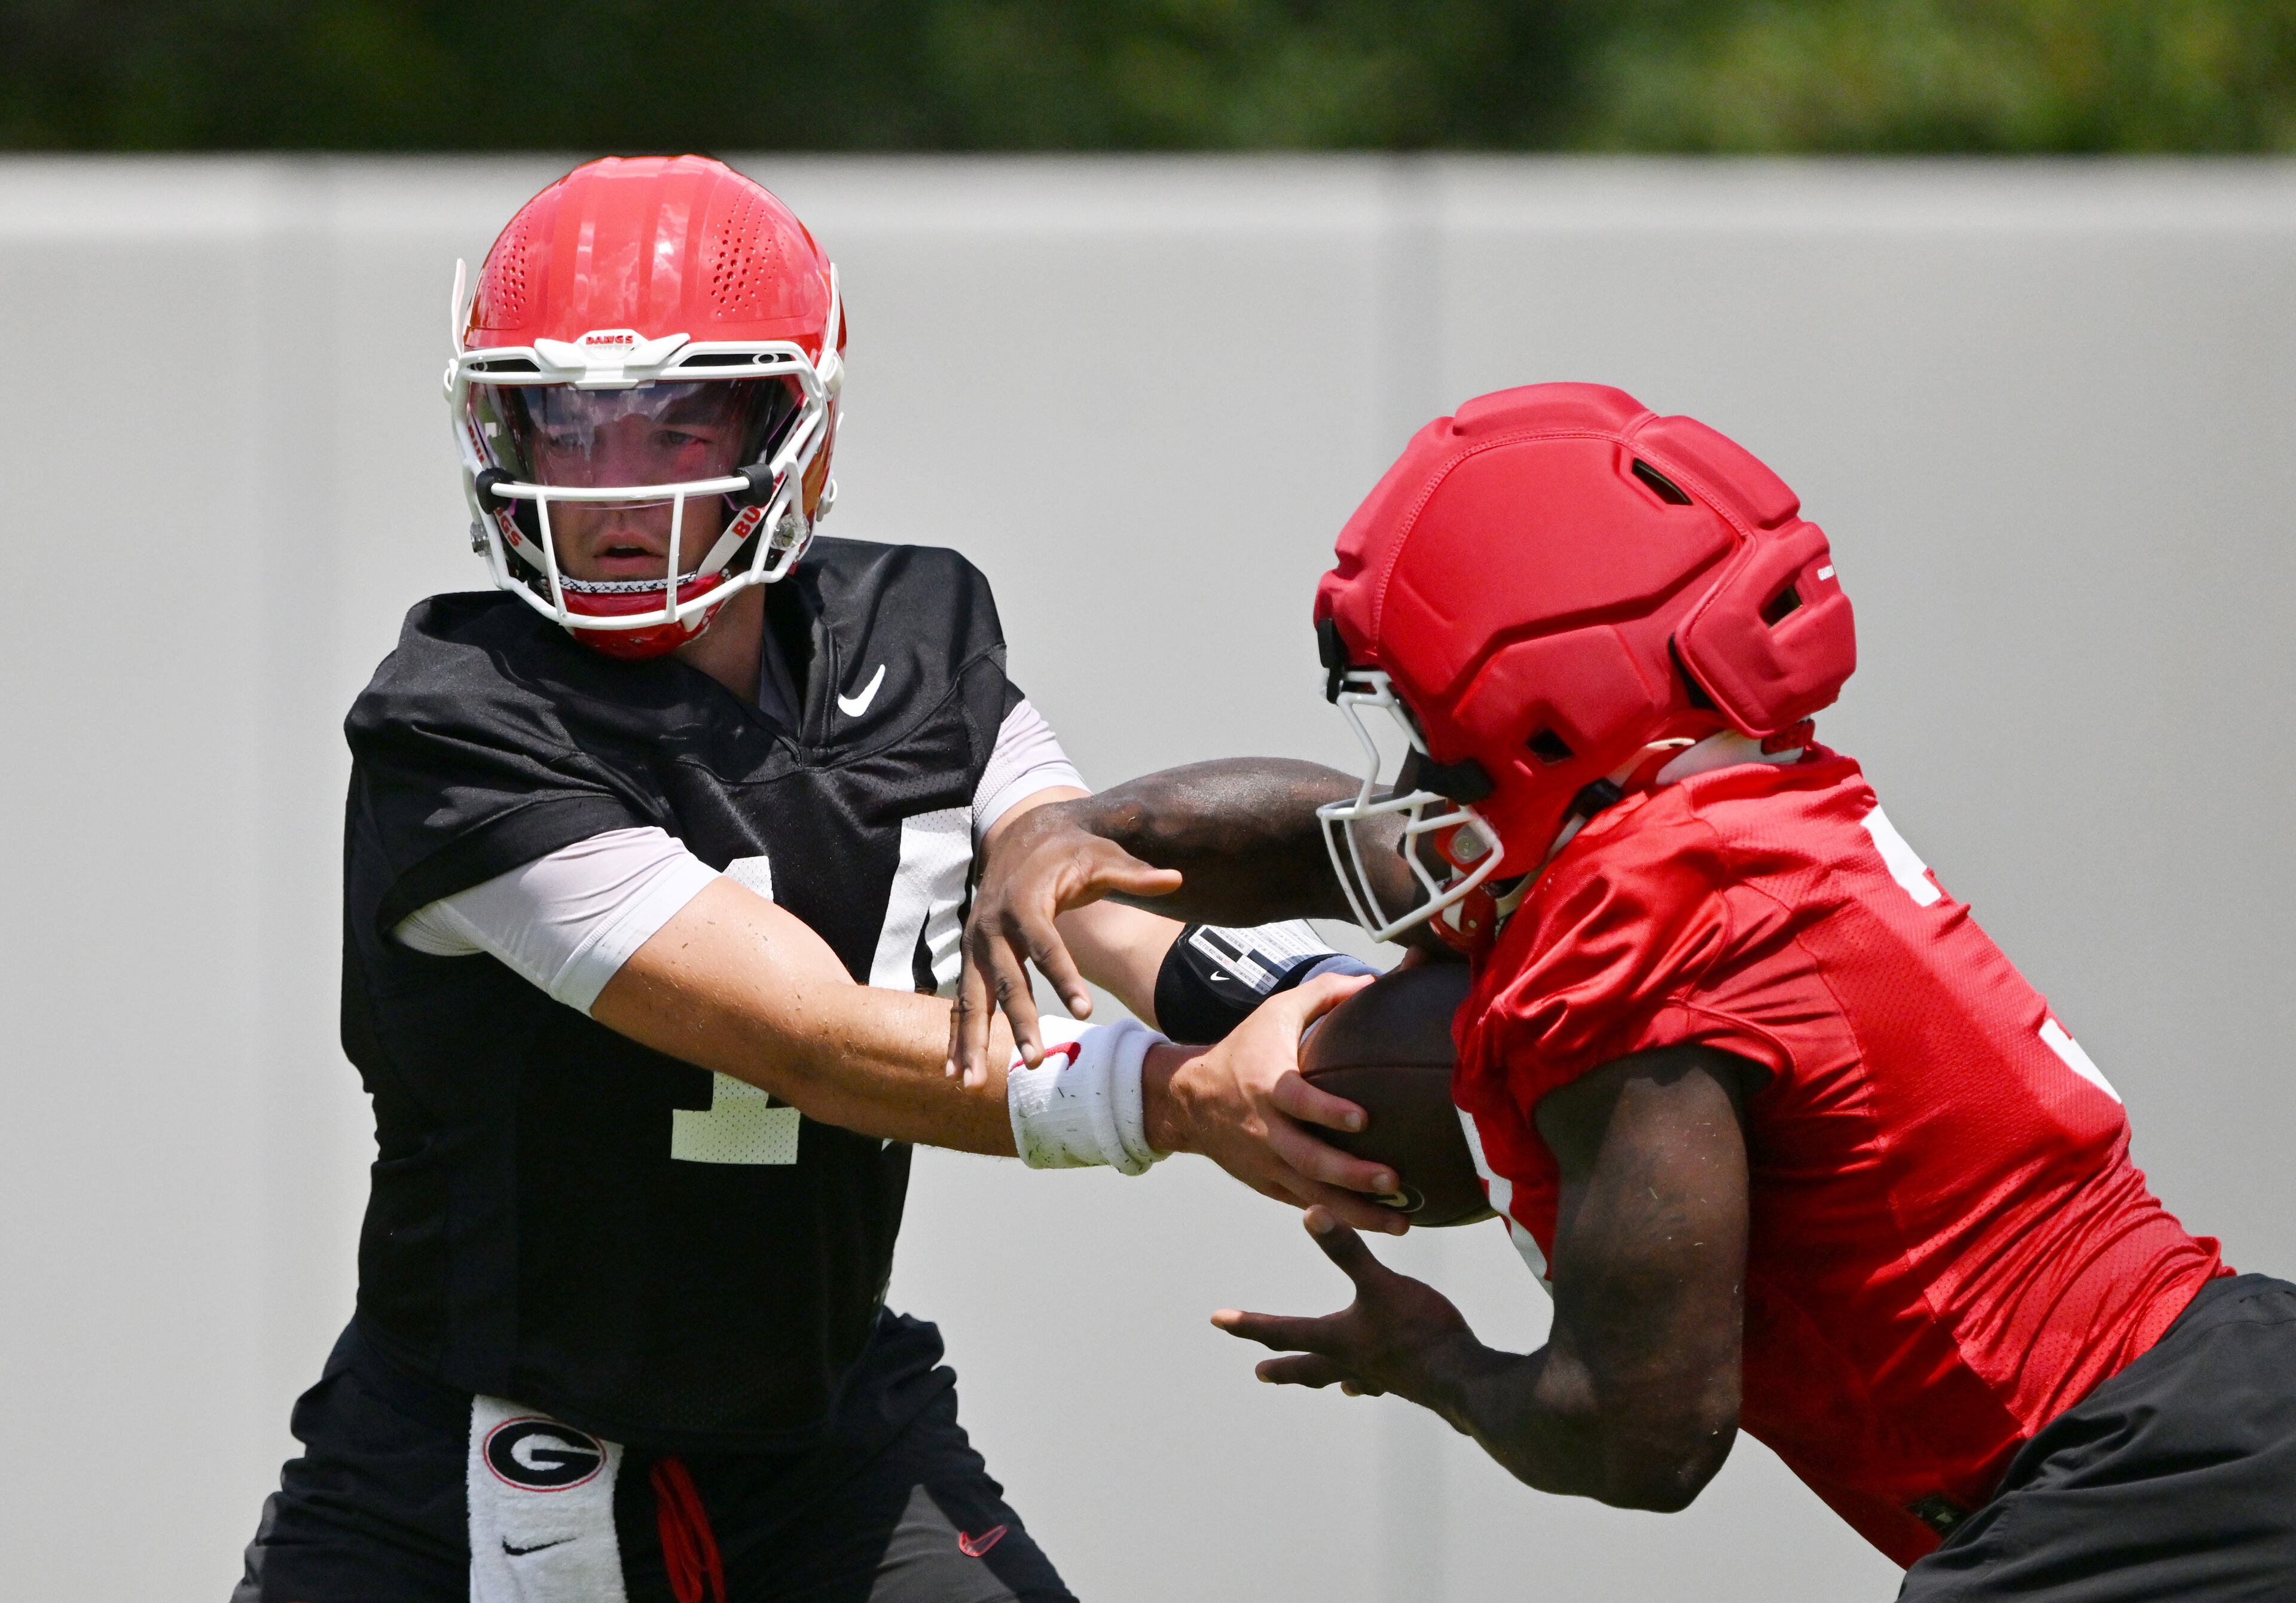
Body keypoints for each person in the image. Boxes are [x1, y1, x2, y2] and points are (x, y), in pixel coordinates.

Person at [231, 154, 1405, 1603]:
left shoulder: (917, 630)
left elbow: (1088, 897)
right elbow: (812, 1042)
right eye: (565, 424)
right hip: (476, 1463)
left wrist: (1337, 1017)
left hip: (826, 1437)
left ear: (801, 429)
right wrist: (1185, 1097)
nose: (613, 486)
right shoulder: (456, 720)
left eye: (676, 422)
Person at [954, 383, 2296, 1599]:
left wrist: (1437, 1365)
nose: (1412, 764)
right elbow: (1332, 841)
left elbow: (1642, 1429)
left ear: (1537, 700)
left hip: (2140, 1498)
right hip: (2214, 1415)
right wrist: (1066, 831)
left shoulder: (1642, 920)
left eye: (1423, 721)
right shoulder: (1731, 810)